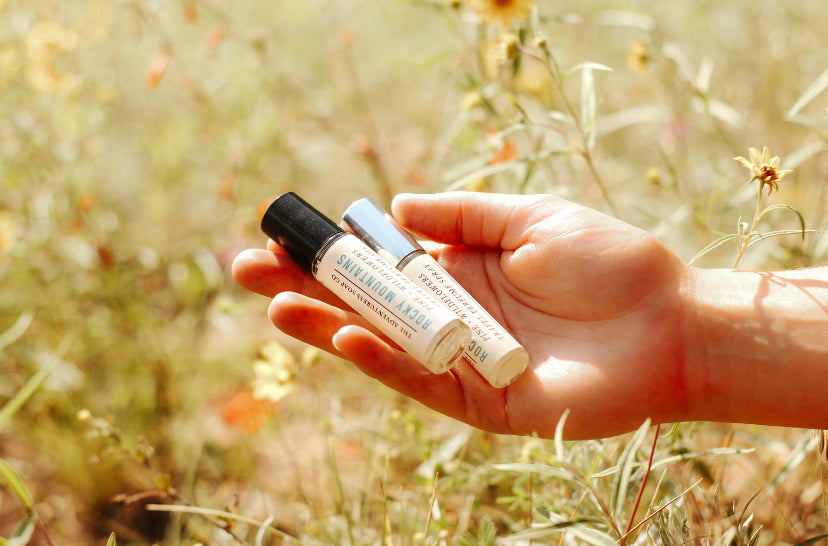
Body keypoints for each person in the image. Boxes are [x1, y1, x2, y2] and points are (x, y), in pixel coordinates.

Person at [232, 192, 828, 439]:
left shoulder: (392, 252)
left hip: (454, 308)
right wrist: (680, 324)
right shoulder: (347, 255)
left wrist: (675, 318)